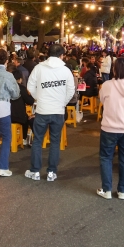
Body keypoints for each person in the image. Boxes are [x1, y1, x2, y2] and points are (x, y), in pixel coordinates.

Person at [25, 44, 75, 182]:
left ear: (48, 54)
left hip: (42, 110)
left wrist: (38, 98)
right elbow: (71, 90)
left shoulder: (39, 68)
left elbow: (30, 86)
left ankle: (35, 171)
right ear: (62, 55)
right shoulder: (66, 70)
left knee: (37, 140)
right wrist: (62, 102)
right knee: (55, 142)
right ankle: (51, 172)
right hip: (58, 110)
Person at [97, 57, 124, 200]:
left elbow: (102, 101)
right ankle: (122, 192)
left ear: (114, 69)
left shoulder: (107, 85)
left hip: (109, 127)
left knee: (106, 158)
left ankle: (107, 190)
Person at [11, 70, 35, 145]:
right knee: (27, 119)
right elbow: (30, 101)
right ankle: (23, 138)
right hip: (19, 117)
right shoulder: (22, 88)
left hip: (6, 116)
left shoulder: (6, 87)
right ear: (20, 79)